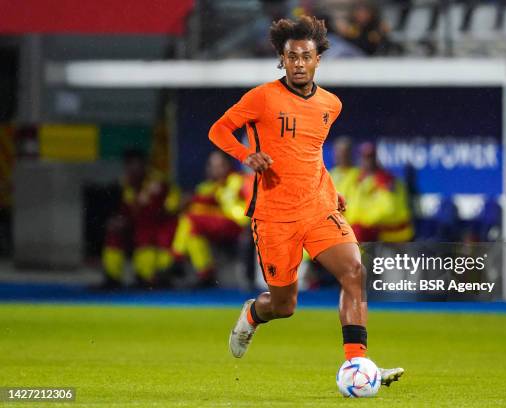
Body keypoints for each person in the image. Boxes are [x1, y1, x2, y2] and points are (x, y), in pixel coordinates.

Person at [208, 15, 403, 386]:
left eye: (306, 56)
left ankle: (356, 364)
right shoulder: (262, 97)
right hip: (275, 216)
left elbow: (310, 156)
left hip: (317, 208)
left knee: (353, 272)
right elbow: (218, 130)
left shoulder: (331, 105)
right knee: (284, 306)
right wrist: (245, 155)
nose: (299, 63)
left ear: (318, 60)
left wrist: (331, 191)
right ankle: (253, 314)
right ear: (282, 60)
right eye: (292, 57)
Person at [101, 149, 180, 288]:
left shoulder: (158, 183)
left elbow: (165, 210)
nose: (133, 170)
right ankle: (112, 277)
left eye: (137, 165)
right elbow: (126, 210)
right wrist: (120, 220)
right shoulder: (125, 184)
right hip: (135, 226)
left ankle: (147, 277)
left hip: (160, 225)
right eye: (129, 166)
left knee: (145, 232)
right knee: (114, 233)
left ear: (144, 165)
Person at [169, 150, 250, 286]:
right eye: (213, 166)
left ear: (228, 165)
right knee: (192, 230)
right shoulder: (207, 186)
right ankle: (205, 273)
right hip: (219, 225)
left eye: (220, 165)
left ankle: (177, 259)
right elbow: (202, 203)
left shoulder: (238, 180)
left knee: (190, 219)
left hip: (239, 224)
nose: (217, 169)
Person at [344, 142, 413, 243]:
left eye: (370, 157)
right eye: (364, 157)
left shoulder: (385, 179)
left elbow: (389, 209)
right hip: (359, 233)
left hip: (393, 236)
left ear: (376, 158)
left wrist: (362, 221)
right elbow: (349, 206)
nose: (367, 161)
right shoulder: (355, 178)